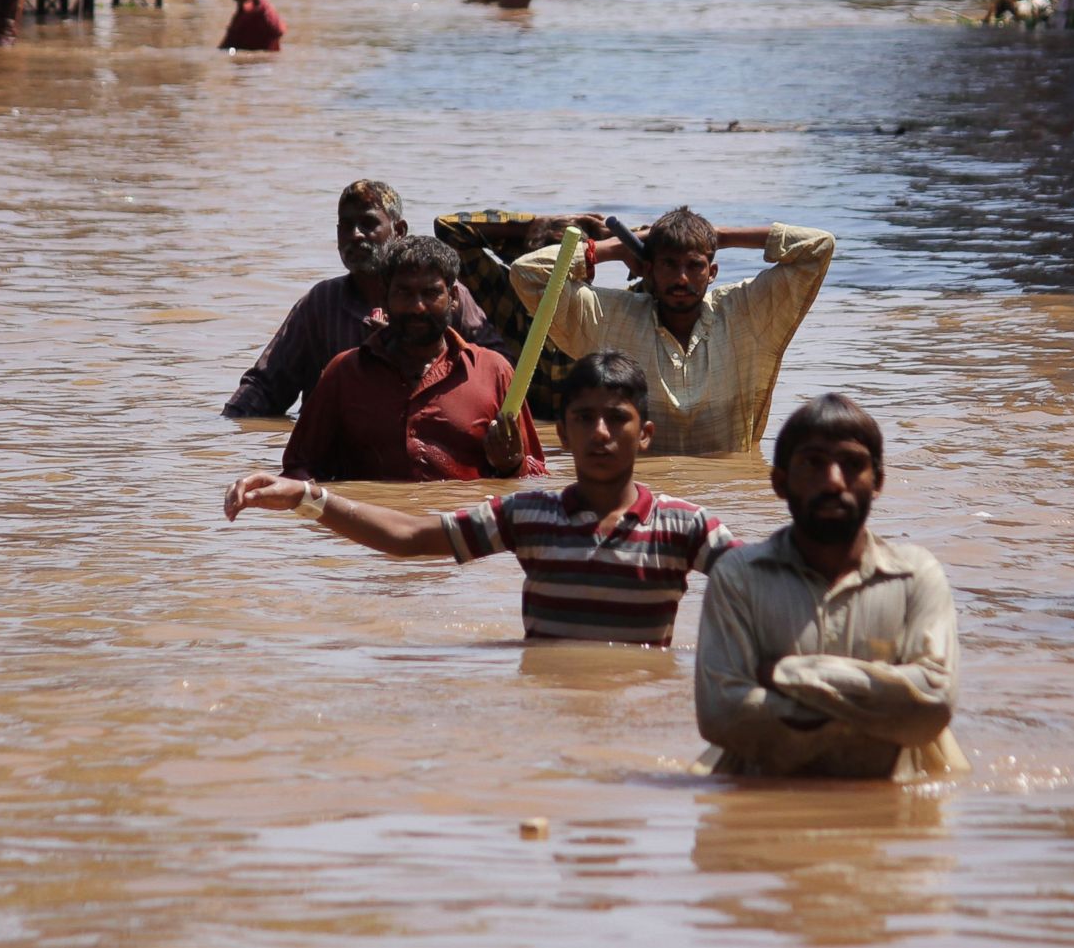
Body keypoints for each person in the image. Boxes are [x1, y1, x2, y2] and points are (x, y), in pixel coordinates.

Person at [225, 351, 734, 645]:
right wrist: (307, 497)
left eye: (617, 418)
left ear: (644, 434)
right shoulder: (531, 516)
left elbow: (764, 578)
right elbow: (408, 537)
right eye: (584, 418)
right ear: (563, 433)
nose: (601, 433)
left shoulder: (684, 527)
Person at [694, 394, 965, 778]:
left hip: (895, 802)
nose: (834, 481)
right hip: (767, 799)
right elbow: (722, 714)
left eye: (853, 465)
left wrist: (787, 675)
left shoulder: (915, 575)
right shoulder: (739, 577)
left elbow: (933, 704)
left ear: (878, 482)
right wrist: (881, 704)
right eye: (813, 463)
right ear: (780, 483)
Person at [510, 206, 834, 456]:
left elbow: (818, 246)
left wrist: (721, 235)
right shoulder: (609, 318)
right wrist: (610, 249)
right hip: (643, 495)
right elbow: (528, 274)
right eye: (669, 264)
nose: (681, 278)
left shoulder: (746, 312)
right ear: (648, 270)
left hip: (723, 495)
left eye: (694, 265)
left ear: (712, 273)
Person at [222, 180, 509, 418]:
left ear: (399, 231)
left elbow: (496, 371)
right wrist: (222, 436)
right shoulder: (321, 303)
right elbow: (266, 387)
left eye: (368, 224)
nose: (355, 235)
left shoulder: (441, 296)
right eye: (345, 226)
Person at [277, 235, 546, 482]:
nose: (417, 307)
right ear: (384, 296)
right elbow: (297, 469)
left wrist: (512, 464)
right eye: (404, 293)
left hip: (461, 531)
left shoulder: (493, 372)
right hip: (369, 533)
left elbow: (536, 478)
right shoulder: (344, 373)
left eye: (431, 293)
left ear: (453, 298)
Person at [433, 209, 616, 421]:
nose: (551, 281)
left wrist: (614, 244)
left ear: (587, 271)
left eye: (566, 271)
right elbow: (450, 228)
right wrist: (537, 223)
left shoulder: (607, 312)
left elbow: (659, 259)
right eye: (540, 269)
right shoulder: (503, 295)